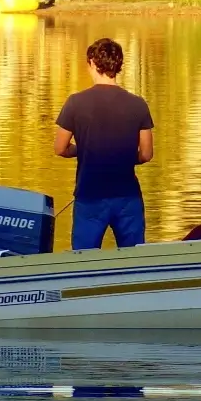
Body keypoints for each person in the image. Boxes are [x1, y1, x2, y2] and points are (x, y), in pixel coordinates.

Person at [54, 37, 154, 249]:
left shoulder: (75, 103)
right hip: (128, 197)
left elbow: (60, 148)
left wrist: (86, 150)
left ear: (92, 62)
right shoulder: (138, 105)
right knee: (134, 261)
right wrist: (124, 154)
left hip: (90, 196)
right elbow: (146, 154)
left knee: (83, 262)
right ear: (118, 66)